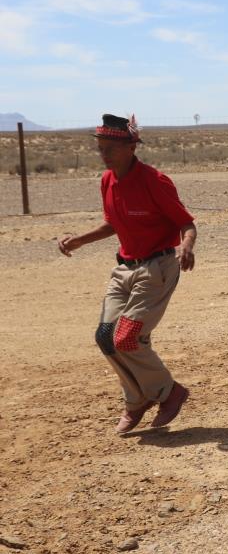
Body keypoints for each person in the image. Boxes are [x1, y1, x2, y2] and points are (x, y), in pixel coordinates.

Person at [57, 114, 195, 434]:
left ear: (132, 147)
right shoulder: (107, 180)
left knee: (128, 337)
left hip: (157, 268)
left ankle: (169, 392)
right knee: (105, 338)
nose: (104, 155)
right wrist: (79, 239)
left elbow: (186, 223)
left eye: (111, 149)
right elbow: (113, 224)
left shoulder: (154, 181)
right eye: (101, 148)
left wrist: (186, 246)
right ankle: (136, 401)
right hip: (124, 269)